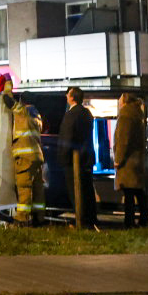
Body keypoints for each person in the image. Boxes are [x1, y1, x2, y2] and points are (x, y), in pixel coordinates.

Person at [57, 86, 98, 230]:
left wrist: (62, 157)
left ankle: (81, 221)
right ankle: (91, 219)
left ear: (72, 97)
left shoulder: (71, 115)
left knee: (76, 191)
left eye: (68, 94)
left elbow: (67, 138)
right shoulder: (87, 113)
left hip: (73, 161)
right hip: (87, 158)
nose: (66, 97)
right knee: (88, 190)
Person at [113, 92, 148, 228]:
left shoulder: (126, 114)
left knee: (128, 192)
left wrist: (118, 159)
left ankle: (129, 222)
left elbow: (123, 140)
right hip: (136, 159)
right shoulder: (137, 112)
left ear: (125, 99)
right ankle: (144, 219)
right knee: (139, 191)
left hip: (128, 162)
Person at [9, 96, 46, 226]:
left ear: (21, 101)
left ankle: (22, 219)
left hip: (25, 157)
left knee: (24, 188)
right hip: (37, 156)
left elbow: (7, 100)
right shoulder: (37, 115)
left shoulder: (23, 111)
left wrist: (7, 83)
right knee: (37, 189)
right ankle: (39, 217)